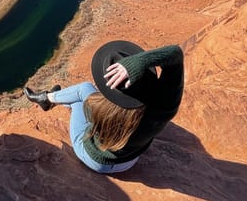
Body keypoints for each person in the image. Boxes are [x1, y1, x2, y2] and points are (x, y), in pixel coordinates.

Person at [25, 41, 184, 173]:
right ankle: (52, 98)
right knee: (81, 97)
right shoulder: (163, 107)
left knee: (81, 93)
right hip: (129, 161)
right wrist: (141, 62)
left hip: (95, 160)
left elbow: (88, 100)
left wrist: (135, 62)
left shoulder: (99, 109)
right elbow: (175, 54)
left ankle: (47, 99)